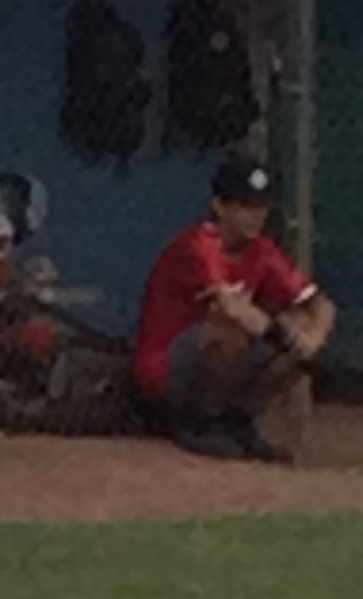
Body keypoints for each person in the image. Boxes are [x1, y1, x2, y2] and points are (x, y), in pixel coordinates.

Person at [132, 154, 336, 462]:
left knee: (299, 323)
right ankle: (199, 424)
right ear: (219, 206)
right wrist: (286, 340)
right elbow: (230, 307)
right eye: (244, 206)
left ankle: (237, 422)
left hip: (219, 367)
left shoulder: (262, 249)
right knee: (231, 327)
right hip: (164, 371)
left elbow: (320, 303)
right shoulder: (199, 244)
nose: (255, 216)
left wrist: (313, 340)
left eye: (261, 206)